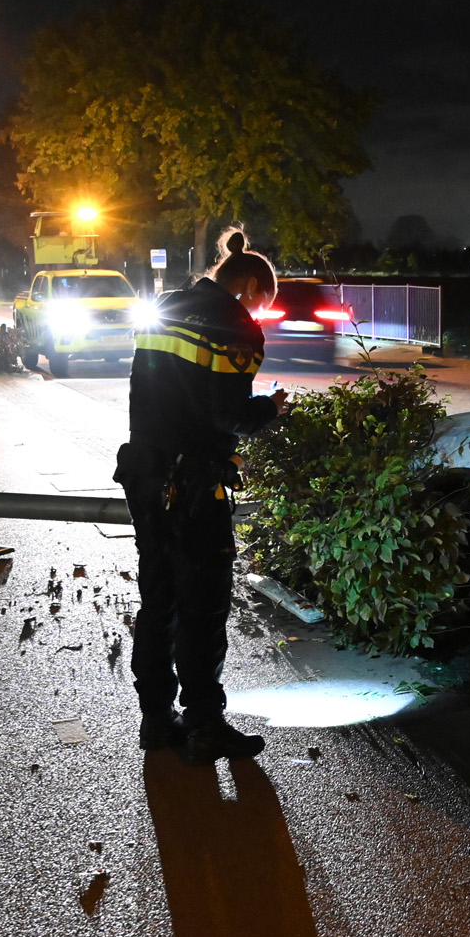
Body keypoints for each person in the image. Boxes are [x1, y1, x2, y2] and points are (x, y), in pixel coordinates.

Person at [115, 229, 288, 762]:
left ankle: (155, 719)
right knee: (203, 607)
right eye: (263, 301)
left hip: (145, 474)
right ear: (251, 286)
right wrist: (270, 408)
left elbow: (153, 391)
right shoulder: (236, 326)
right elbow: (227, 415)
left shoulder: (164, 306)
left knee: (158, 599)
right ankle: (205, 725)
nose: (261, 312)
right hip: (194, 485)